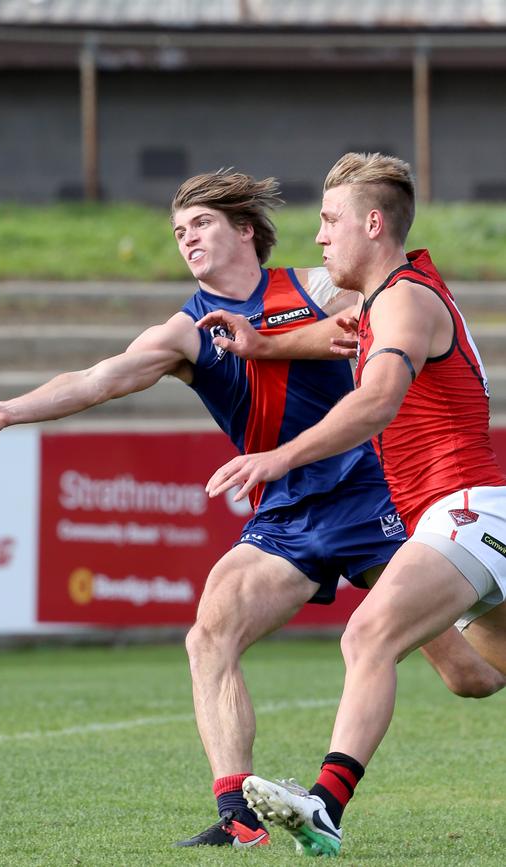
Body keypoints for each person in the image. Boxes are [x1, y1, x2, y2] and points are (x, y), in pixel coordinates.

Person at [0, 168, 502, 850]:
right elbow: (96, 379)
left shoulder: (320, 287)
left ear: (244, 230)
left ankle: (323, 799)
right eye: (177, 231)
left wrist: (270, 349)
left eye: (199, 223)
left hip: (377, 497)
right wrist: (8, 409)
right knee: (210, 631)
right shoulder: (186, 332)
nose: (186, 238)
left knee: (471, 676)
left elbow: (369, 341)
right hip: (288, 512)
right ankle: (241, 816)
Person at [202, 153, 506, 856]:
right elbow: (340, 336)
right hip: (464, 515)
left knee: (366, 636)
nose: (319, 236)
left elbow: (376, 397)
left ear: (374, 223)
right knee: (473, 676)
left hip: (466, 508)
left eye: (330, 220)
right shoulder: (385, 303)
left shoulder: (403, 298)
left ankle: (324, 804)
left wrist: (281, 455)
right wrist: (261, 344)